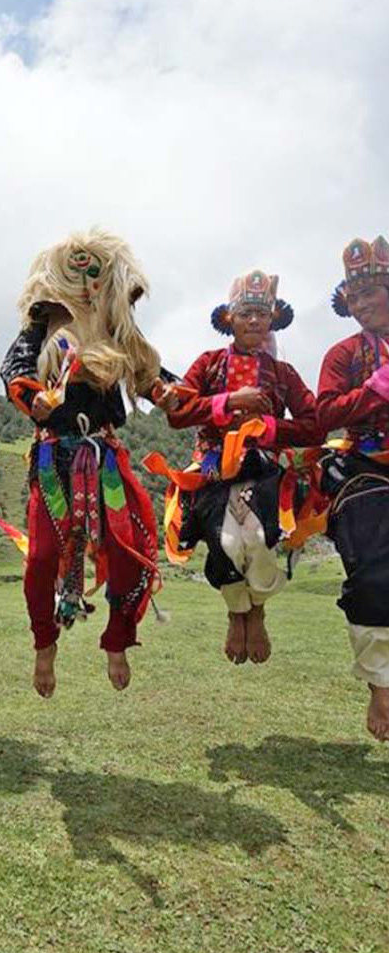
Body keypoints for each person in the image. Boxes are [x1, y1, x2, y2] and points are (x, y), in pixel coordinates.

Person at [1, 228, 176, 698]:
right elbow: (14, 369)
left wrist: (174, 396)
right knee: (39, 559)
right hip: (52, 456)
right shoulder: (42, 324)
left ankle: (117, 639)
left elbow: (151, 374)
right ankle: (44, 643)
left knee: (128, 552)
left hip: (104, 456)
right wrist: (33, 398)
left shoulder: (115, 327)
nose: (85, 286)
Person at [151, 270, 323, 666]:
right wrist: (229, 401)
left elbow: (314, 423)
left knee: (261, 538)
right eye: (245, 313)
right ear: (229, 319)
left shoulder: (283, 373)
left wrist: (271, 427)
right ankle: (235, 612)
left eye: (261, 315)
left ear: (271, 321)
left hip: (264, 465)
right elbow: (179, 414)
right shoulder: (209, 364)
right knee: (226, 543)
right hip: (212, 463)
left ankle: (257, 610)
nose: (253, 321)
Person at [317, 235, 389, 741]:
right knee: (370, 574)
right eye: (356, 297)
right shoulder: (342, 354)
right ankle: (382, 685)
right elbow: (324, 413)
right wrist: (373, 389)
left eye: (373, 292)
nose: (363, 304)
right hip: (366, 466)